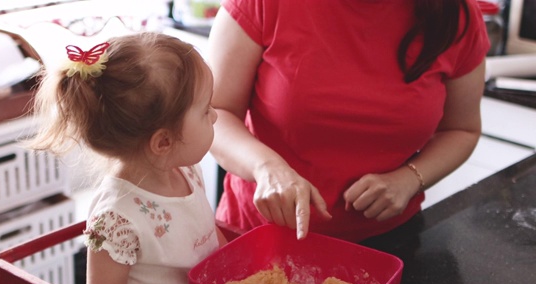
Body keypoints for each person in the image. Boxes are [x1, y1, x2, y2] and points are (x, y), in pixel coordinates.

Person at [208, 0, 490, 242]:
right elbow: (215, 113)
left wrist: (409, 179)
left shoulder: (455, 13)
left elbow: (461, 129)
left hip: (388, 243)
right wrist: (265, 168)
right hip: (259, 234)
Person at [29, 32, 227, 284]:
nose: (216, 116)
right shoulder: (117, 215)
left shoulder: (186, 170)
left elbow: (203, 231)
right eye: (206, 111)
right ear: (163, 142)